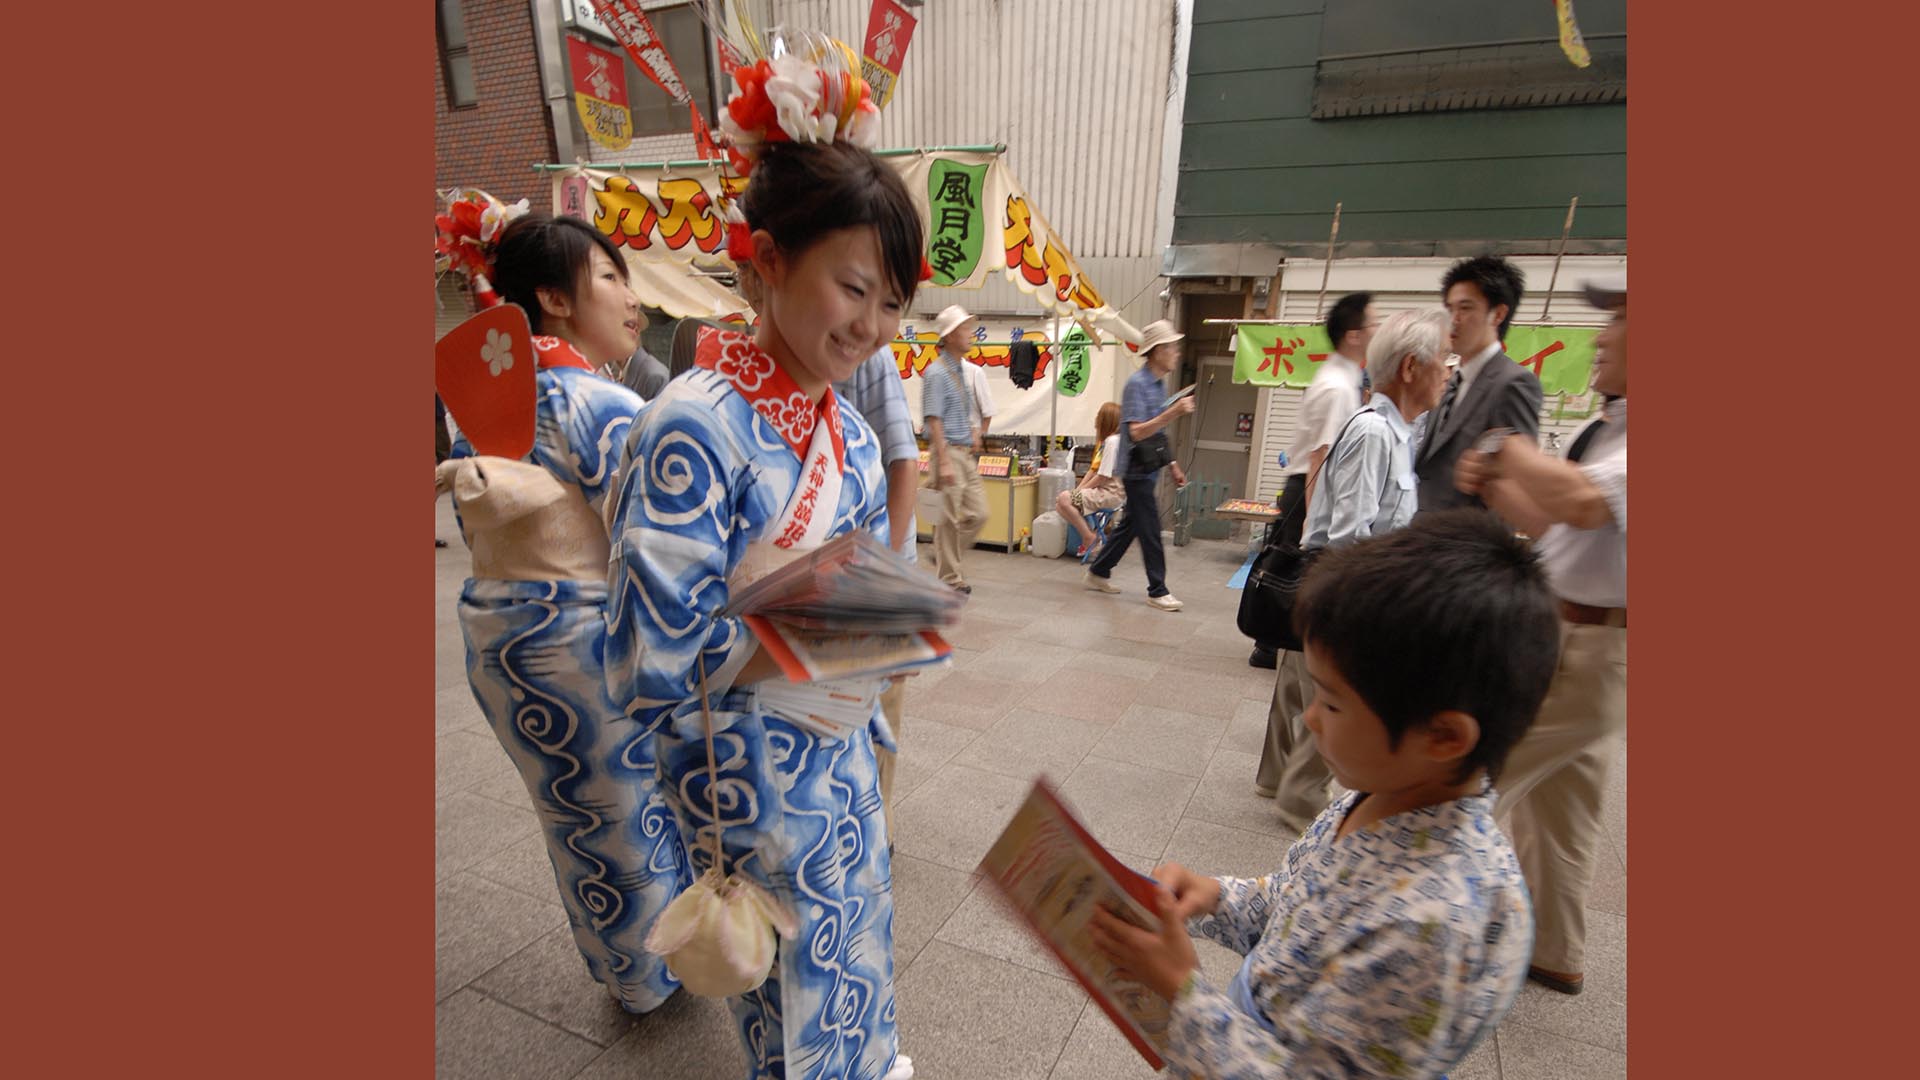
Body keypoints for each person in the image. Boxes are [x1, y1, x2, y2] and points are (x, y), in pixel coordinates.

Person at [602, 97, 923, 1080]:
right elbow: (644, 663)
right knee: (792, 999)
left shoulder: (856, 438)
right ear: (767, 260)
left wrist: (878, 626)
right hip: (742, 773)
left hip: (839, 755)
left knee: (857, 952)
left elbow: (858, 588)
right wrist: (810, 616)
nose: (872, 326)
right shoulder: (689, 427)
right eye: (854, 289)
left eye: (893, 303)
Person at [1087, 509, 1562, 1080]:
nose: (1310, 719)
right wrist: (1216, 897)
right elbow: (1299, 907)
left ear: (1442, 736)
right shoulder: (1376, 795)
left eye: (1333, 703)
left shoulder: (1430, 928)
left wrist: (1181, 995)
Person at [436, 205, 693, 1014]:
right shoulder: (599, 403)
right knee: (631, 818)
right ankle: (655, 978)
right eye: (612, 276)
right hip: (581, 644)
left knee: (574, 820)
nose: (631, 298)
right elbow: (653, 546)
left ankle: (625, 969)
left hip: (500, 637)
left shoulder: (492, 406)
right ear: (553, 297)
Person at [1453, 273, 1628, 997]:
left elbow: (1585, 502)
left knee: (1467, 776)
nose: (1600, 337)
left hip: (1592, 646)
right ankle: (1553, 948)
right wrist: (1497, 487)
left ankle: (1408, 935)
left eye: (1619, 322)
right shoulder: (1614, 423)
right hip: (1575, 635)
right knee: (1561, 810)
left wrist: (1503, 443)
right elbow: (1559, 523)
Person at [1255, 308, 1453, 835]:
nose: (1448, 373)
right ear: (1411, 368)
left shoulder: (1397, 432)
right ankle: (1300, 805)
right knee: (1332, 696)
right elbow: (1350, 534)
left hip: (1331, 586)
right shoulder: (1373, 432)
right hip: (1343, 588)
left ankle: (1275, 780)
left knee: (1300, 687)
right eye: (1443, 363)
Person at [1250, 292, 1375, 673]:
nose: (1378, 330)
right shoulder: (1338, 386)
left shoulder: (1342, 379)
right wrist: (1314, 517)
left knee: (1289, 571)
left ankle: (1271, 646)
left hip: (1305, 488)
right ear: (1354, 335)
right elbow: (1322, 456)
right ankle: (1272, 647)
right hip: (1309, 490)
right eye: (1373, 323)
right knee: (1294, 572)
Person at [835, 345, 923, 837]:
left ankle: (877, 827)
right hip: (827, 569)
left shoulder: (869, 352)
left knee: (881, 705)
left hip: (876, 561)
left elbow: (904, 464)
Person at [1413, 255, 1543, 515]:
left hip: (1469, 543)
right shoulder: (1450, 380)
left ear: (1498, 314)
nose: (1454, 319)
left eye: (1465, 308)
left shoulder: (1513, 383)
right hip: (1422, 535)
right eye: (1450, 309)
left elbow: (1518, 478)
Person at [1083, 319, 1192, 610]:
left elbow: (1156, 433)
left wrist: (1172, 464)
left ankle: (1098, 571)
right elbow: (1135, 431)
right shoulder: (1137, 385)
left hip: (1151, 465)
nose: (1176, 352)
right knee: (1151, 528)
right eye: (1171, 347)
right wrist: (1174, 412)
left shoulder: (1158, 384)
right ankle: (1158, 589)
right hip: (1135, 469)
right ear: (1156, 351)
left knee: (1131, 524)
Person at [922, 304, 989, 593]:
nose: (970, 334)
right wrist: (944, 460)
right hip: (947, 451)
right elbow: (933, 417)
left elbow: (952, 411)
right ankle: (950, 578)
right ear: (949, 335)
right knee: (948, 518)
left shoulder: (960, 371)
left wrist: (974, 433)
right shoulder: (936, 373)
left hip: (964, 452)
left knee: (980, 513)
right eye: (964, 328)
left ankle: (942, 555)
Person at [1053, 401, 1125, 553]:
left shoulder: (1111, 442)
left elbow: (1102, 477)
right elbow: (1095, 471)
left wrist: (1078, 492)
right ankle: (1090, 535)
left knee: (1064, 499)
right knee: (1061, 503)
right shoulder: (1115, 441)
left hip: (1109, 493)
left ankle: (1089, 537)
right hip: (1112, 493)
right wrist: (1078, 491)